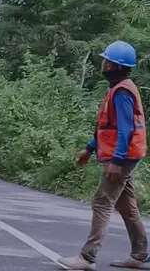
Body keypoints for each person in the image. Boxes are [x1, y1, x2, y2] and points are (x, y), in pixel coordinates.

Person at [58, 41, 148, 270]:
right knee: (127, 207)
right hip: (125, 155)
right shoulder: (118, 89)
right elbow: (108, 127)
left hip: (123, 157)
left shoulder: (122, 92)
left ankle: (87, 257)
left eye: (107, 61)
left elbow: (126, 130)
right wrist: (89, 149)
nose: (103, 64)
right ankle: (140, 255)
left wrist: (117, 161)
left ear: (115, 66)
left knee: (102, 202)